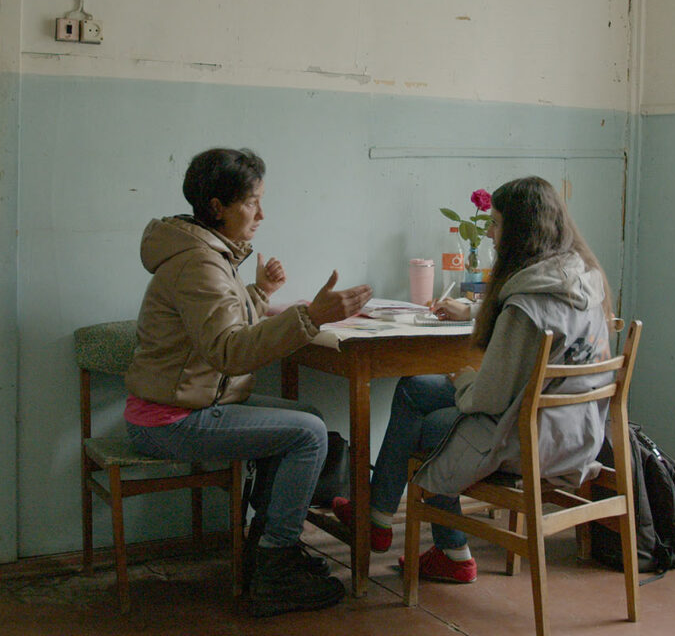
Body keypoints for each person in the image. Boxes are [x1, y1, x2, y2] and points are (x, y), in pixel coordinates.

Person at [124, 147, 372, 617]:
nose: (262, 213)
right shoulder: (199, 263)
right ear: (217, 207)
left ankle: (263, 549)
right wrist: (311, 316)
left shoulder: (205, 254)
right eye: (252, 202)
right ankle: (274, 568)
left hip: (187, 404)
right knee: (309, 434)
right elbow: (229, 351)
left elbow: (218, 328)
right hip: (171, 419)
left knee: (310, 417)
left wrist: (259, 294)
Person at [332, 176, 613, 583]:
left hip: (524, 437)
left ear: (517, 231)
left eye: (495, 224)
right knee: (413, 388)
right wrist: (478, 312)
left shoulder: (525, 307)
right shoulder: (581, 281)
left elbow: (490, 398)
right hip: (577, 432)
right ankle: (380, 515)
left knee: (427, 428)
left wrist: (465, 380)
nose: (490, 233)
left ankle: (446, 548)